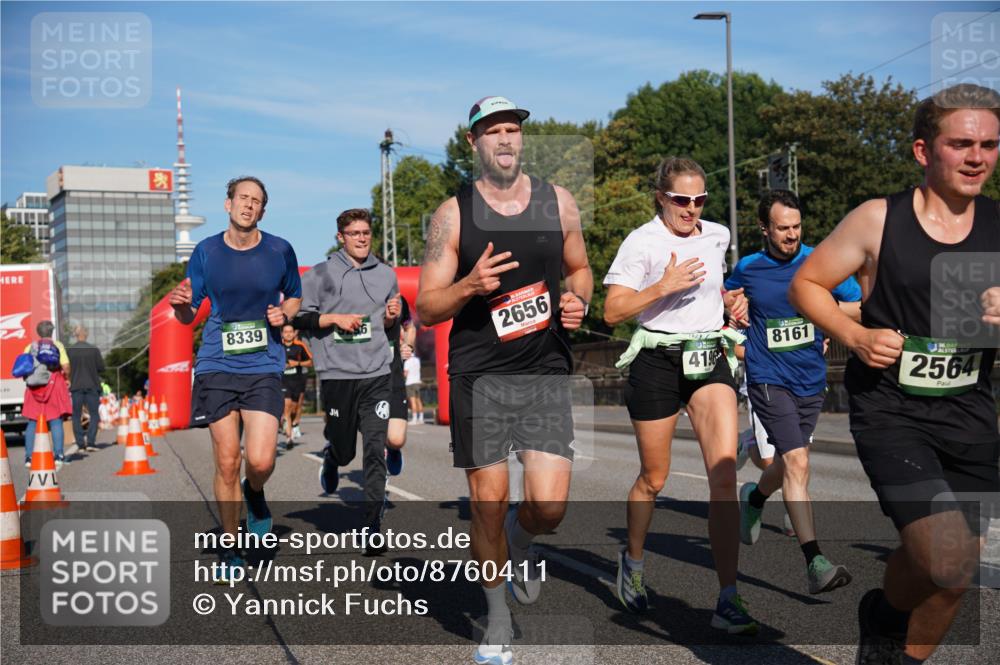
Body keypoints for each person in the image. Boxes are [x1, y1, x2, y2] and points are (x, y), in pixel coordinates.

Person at [789, 84, 1000, 665]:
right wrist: (854, 335)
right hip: (893, 411)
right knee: (952, 566)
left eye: (988, 144)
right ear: (923, 152)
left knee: (942, 564)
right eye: (960, 144)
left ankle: (885, 629)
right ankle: (887, 624)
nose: (977, 156)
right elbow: (805, 285)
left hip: (971, 411)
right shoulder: (879, 219)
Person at [417, 96, 592, 665]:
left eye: (512, 129)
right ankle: (497, 617)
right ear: (473, 144)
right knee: (487, 502)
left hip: (542, 369)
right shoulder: (454, 213)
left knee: (549, 507)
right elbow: (426, 306)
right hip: (479, 373)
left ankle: (522, 544)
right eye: (493, 131)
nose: (505, 139)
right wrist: (468, 285)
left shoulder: (558, 201)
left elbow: (580, 268)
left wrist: (578, 301)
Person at [603, 156, 755, 633]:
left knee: (724, 477)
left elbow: (715, 286)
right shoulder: (642, 242)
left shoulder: (717, 235)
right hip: (657, 362)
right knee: (655, 478)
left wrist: (732, 300)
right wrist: (662, 286)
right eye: (681, 200)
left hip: (709, 358)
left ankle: (728, 599)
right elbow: (611, 312)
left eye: (700, 199)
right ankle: (633, 561)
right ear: (661, 197)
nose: (692, 209)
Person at [725, 189, 861, 594]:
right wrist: (734, 306)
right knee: (798, 462)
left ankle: (753, 497)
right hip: (768, 377)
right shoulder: (749, 267)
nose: (791, 235)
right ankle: (815, 561)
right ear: (765, 228)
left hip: (810, 377)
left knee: (789, 461)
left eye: (797, 226)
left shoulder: (822, 261)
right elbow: (726, 295)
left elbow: (857, 305)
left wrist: (818, 308)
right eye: (783, 228)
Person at [168, 176, 301, 582]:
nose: (248, 205)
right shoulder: (206, 251)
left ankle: (255, 494)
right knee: (227, 460)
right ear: (228, 204)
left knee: (259, 460)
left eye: (256, 201)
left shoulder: (280, 249)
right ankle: (230, 546)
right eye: (242, 198)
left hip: (263, 363)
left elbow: (293, 294)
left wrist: (286, 314)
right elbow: (190, 311)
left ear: (263, 210)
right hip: (216, 363)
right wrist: (178, 308)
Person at [292, 208, 400, 548]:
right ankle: (331, 456)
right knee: (346, 452)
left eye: (366, 232)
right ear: (341, 237)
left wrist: (391, 318)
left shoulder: (386, 274)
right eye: (355, 233)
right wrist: (334, 318)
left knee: (373, 449)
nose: (362, 239)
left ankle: (371, 527)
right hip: (338, 375)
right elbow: (299, 319)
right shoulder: (319, 275)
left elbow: (388, 325)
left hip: (377, 373)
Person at [21, 320, 72, 469]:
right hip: (53, 384)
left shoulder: (30, 347)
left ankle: (29, 457)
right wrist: (67, 377)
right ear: (51, 332)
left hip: (34, 388)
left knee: (32, 421)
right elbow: (66, 366)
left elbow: (24, 366)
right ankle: (58, 455)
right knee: (55, 420)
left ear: (38, 332)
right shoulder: (57, 346)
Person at [385, 295, 415, 476]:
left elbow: (410, 327)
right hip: (363, 376)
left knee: (396, 439)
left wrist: (409, 345)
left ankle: (392, 449)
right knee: (374, 437)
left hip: (393, 375)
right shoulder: (353, 295)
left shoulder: (398, 299)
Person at [66, 326, 105, 453]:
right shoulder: (94, 350)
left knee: (76, 415)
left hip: (76, 386)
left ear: (75, 335)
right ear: (86, 334)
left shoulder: (70, 350)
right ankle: (91, 442)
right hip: (92, 385)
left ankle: (80, 444)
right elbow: (101, 368)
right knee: (94, 414)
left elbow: (66, 368)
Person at [279, 323, 312, 448]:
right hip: (283, 381)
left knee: (294, 408)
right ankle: (289, 438)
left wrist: (297, 363)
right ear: (282, 333)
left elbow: (310, 362)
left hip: (296, 381)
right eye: (285, 331)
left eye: (290, 331)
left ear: (294, 333)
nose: (288, 334)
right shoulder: (278, 346)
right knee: (286, 407)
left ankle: (291, 426)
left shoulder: (300, 346)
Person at [404, 344, 423, 425]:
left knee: (412, 401)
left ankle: (414, 419)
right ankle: (421, 418)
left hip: (410, 382)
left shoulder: (407, 361)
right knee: (418, 400)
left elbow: (405, 374)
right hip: (417, 381)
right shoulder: (417, 360)